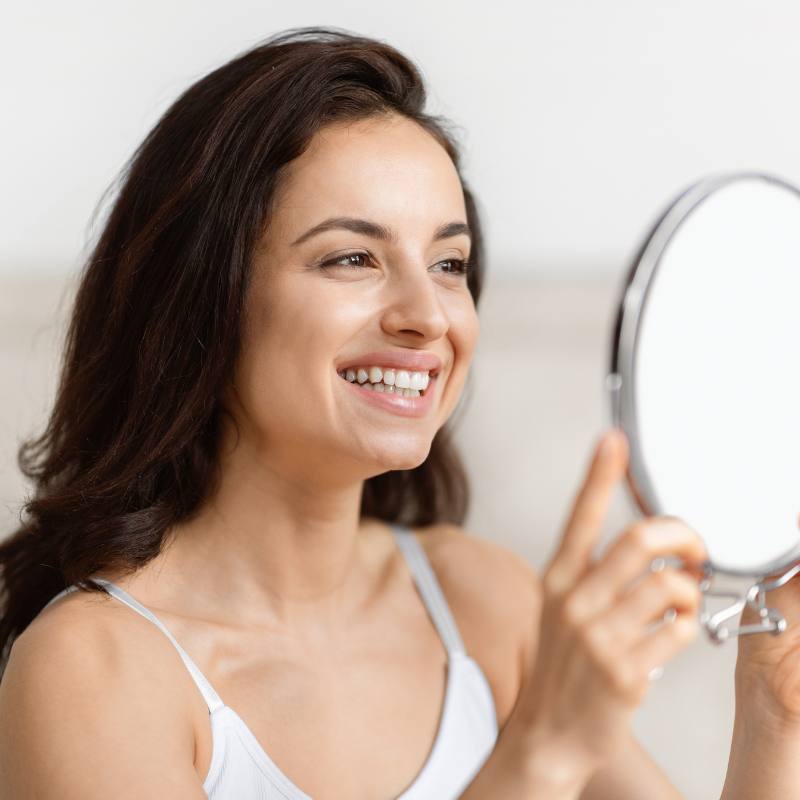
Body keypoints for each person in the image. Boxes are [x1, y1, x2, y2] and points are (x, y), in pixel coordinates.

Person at [0, 26, 734, 799]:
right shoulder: (90, 670)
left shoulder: (483, 601)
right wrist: (542, 753)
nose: (428, 316)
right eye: (353, 257)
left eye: (449, 264)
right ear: (202, 302)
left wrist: (775, 703)